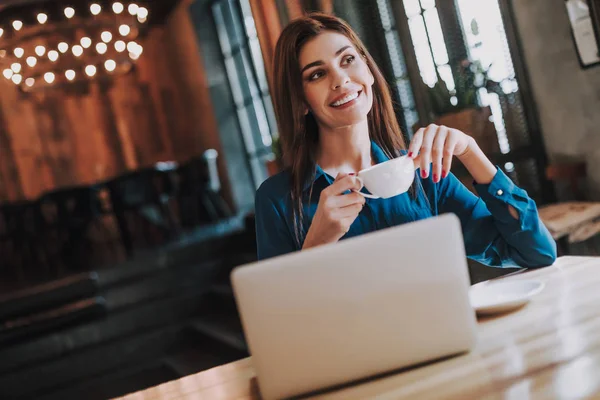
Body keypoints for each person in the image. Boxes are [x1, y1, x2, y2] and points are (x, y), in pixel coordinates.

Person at [254, 12, 556, 268]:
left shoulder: (423, 176)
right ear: (301, 100)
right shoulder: (278, 200)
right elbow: (279, 324)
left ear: (369, 71)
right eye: (317, 74)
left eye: (347, 59)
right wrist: (317, 245)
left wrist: (469, 150)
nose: (340, 80)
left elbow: (536, 253)